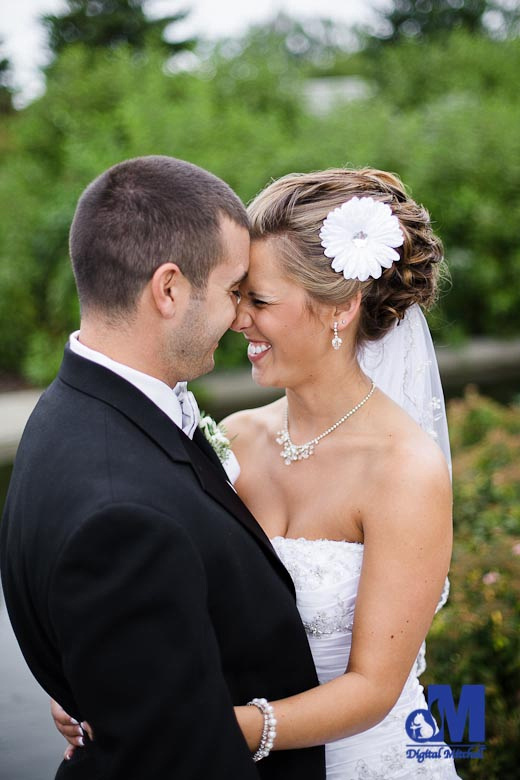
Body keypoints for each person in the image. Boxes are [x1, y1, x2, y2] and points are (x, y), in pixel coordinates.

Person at [53, 166, 459, 778]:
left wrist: (208, 725)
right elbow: (165, 597)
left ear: (341, 308)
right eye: (238, 291)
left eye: (260, 300)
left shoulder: (405, 472)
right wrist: (105, 688)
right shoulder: (236, 436)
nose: (238, 317)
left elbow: (374, 688)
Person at [0, 156, 325, 780]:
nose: (239, 318)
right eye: (233, 290)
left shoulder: (64, 411)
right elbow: (182, 758)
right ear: (169, 288)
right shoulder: (122, 518)